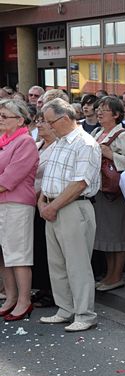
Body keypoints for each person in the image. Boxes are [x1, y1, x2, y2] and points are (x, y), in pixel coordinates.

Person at [37, 98, 102, 332]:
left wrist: (51, 206)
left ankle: (85, 314)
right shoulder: (60, 142)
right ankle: (65, 309)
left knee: (77, 264)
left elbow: (80, 183)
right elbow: (51, 177)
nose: (48, 126)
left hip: (74, 207)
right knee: (57, 263)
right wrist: (43, 201)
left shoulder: (85, 143)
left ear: (64, 118)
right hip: (54, 205)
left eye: (50, 121)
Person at [91, 96, 125, 292]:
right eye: (98, 109)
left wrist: (111, 155)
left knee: (117, 234)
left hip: (115, 192)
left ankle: (116, 276)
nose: (99, 112)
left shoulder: (123, 135)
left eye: (105, 109)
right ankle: (110, 275)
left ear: (116, 114)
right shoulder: (97, 132)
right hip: (100, 190)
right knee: (106, 235)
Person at [0, 99, 39, 321]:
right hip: (2, 204)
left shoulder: (25, 142)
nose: (0, 119)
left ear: (20, 120)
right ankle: (10, 297)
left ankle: (24, 300)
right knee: (3, 254)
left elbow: (9, 179)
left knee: (18, 254)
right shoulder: (3, 141)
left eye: (4, 116)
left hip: (16, 205)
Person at [31, 112, 57, 309]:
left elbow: (50, 176)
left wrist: (37, 197)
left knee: (48, 248)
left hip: (46, 201)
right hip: (31, 201)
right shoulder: (38, 145)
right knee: (38, 247)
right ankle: (42, 287)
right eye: (38, 121)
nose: (39, 125)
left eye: (44, 122)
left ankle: (52, 291)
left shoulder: (58, 147)